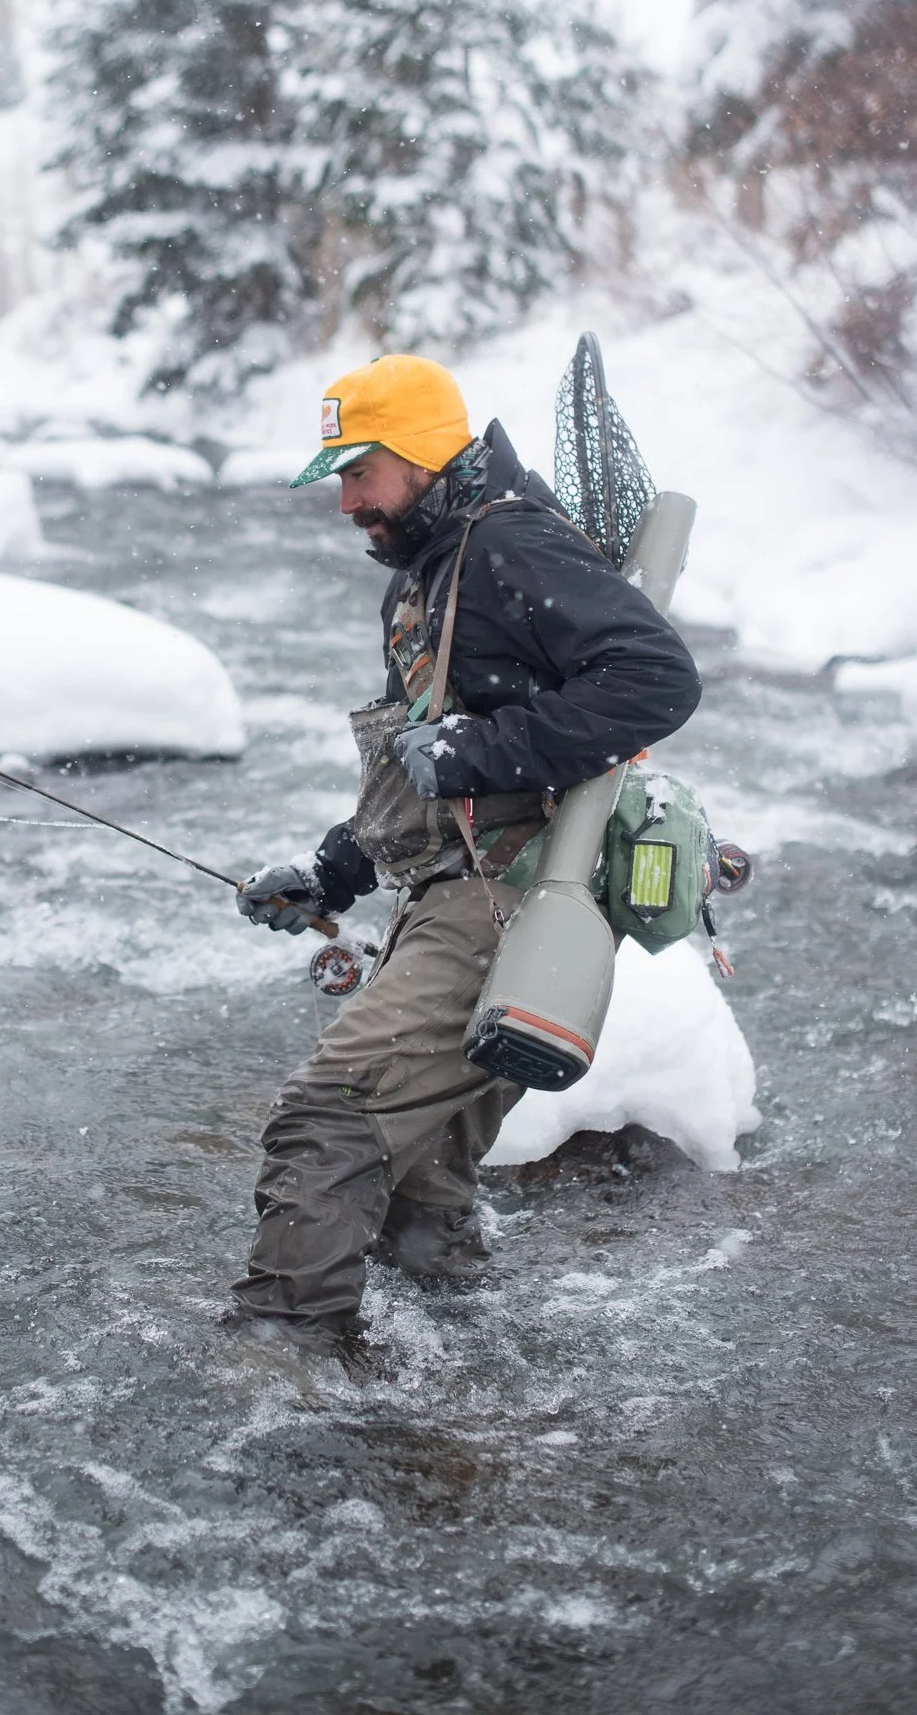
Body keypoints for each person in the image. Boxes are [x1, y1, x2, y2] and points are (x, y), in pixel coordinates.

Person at [227, 354, 702, 1358]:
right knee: (425, 1167)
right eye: (340, 477)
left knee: (331, 1114)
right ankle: (460, 1366)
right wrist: (334, 872)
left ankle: (279, 1365)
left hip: (513, 901)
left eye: (361, 471)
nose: (348, 499)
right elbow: (424, 762)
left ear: (424, 451)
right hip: (458, 891)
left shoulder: (507, 547)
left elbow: (656, 677)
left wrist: (480, 750)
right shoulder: (430, 567)